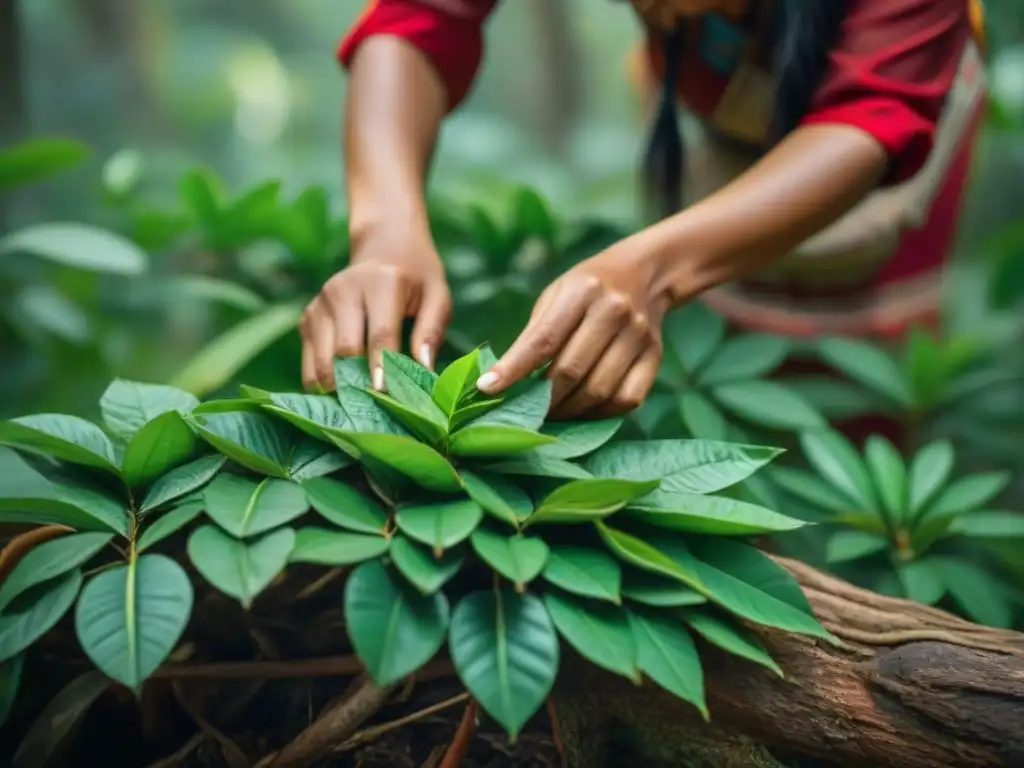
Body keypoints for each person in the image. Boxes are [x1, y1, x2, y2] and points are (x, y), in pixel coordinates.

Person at [301, 0, 987, 421]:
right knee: (711, 315)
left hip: (886, 138)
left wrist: (654, 269)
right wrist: (385, 229)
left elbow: (874, 112)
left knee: (859, 368)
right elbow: (417, 19)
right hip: (713, 92)